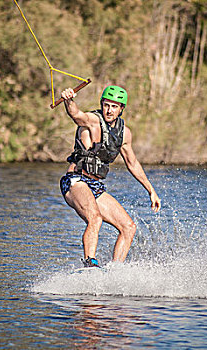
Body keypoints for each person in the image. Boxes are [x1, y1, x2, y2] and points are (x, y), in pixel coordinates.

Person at [59, 85, 161, 268]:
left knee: (128, 227)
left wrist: (151, 190)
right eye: (106, 105)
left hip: (95, 186)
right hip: (76, 181)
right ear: (101, 105)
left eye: (114, 106)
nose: (109, 110)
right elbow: (77, 115)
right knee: (95, 218)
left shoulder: (124, 133)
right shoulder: (93, 121)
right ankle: (90, 263)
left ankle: (115, 271)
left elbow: (132, 163)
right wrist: (69, 100)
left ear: (121, 109)